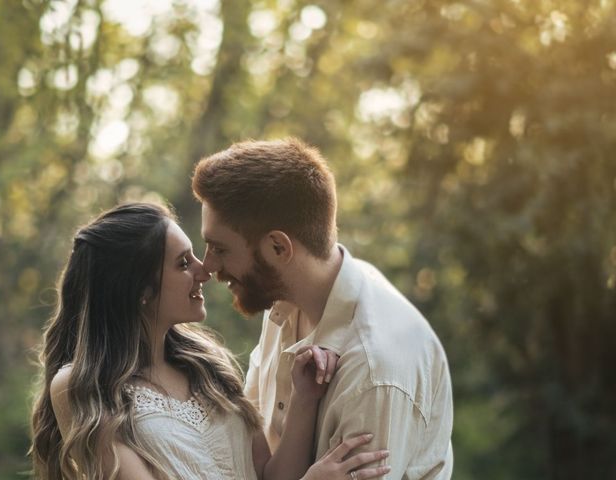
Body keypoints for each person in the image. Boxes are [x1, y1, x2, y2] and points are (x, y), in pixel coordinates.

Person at [29, 203, 391, 479]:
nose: (205, 270)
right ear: (140, 288)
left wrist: (304, 399)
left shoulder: (207, 367)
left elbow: (269, 475)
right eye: (183, 263)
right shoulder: (82, 387)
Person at [192, 138, 454, 479]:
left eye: (219, 248)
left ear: (277, 246)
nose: (208, 266)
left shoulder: (374, 374)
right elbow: (251, 465)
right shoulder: (282, 303)